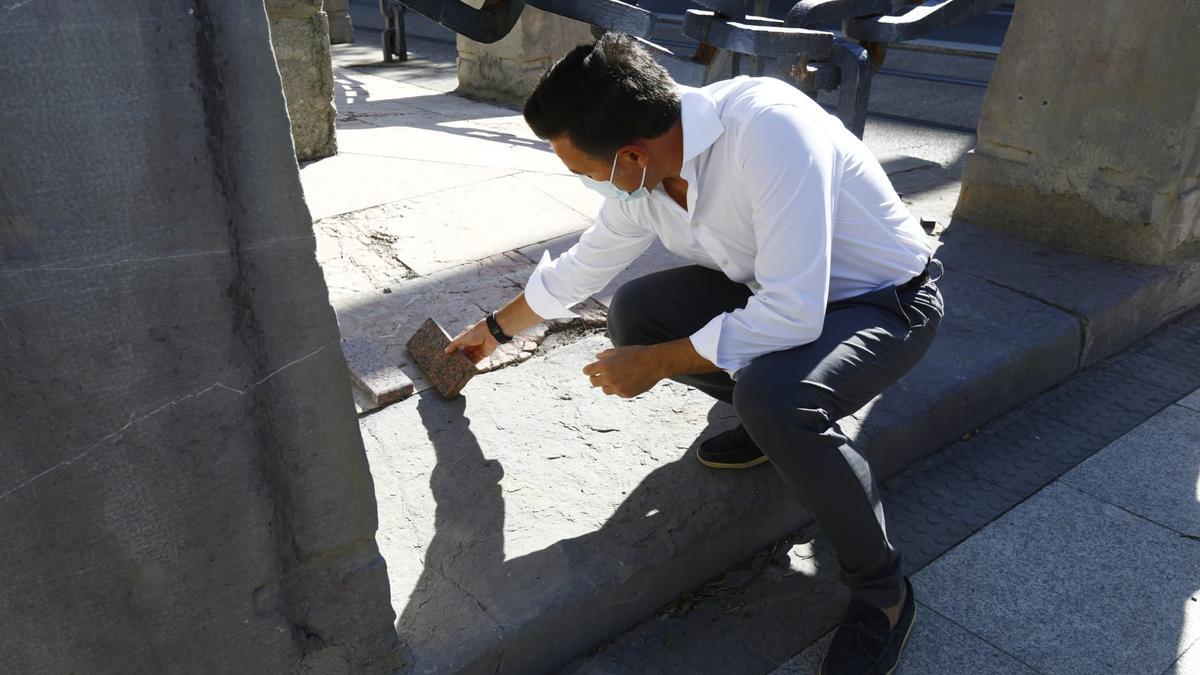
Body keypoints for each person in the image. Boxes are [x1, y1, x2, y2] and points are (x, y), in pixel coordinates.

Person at [445, 33, 943, 674]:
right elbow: (582, 268)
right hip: (778, 294)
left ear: (629, 155)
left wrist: (660, 363)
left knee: (772, 396)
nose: (591, 183)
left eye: (587, 171)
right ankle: (776, 429)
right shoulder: (647, 175)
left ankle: (886, 593)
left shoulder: (770, 131)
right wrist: (491, 332)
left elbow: (794, 309)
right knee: (636, 314)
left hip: (886, 306)